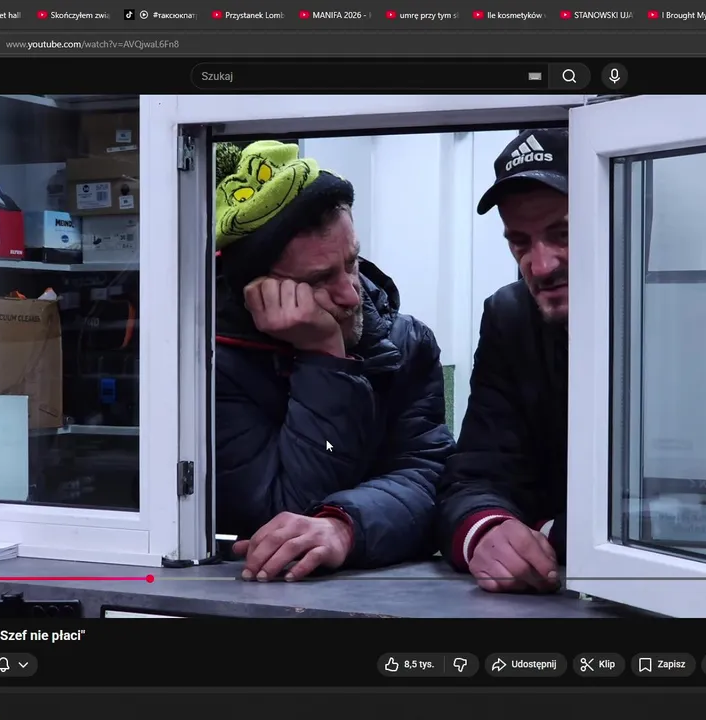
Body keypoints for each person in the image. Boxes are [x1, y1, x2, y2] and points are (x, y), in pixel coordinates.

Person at [213, 141, 454, 582]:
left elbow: (429, 480)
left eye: (352, 261)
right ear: (258, 291)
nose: (351, 294)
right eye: (320, 279)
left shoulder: (406, 343)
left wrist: (345, 525)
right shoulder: (211, 367)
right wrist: (323, 357)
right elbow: (280, 518)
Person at [435, 128, 570, 593]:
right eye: (520, 242)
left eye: (563, 234)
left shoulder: (670, 318)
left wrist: (549, 532)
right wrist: (487, 529)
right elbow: (475, 476)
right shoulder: (510, 318)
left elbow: (679, 512)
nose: (541, 265)